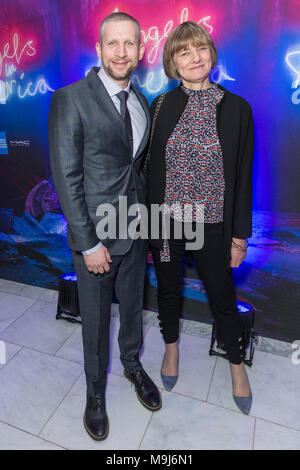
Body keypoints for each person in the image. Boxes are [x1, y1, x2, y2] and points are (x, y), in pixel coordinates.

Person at [48, 12, 161, 441]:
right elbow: (66, 178)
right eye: (112, 43)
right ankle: (95, 393)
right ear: (98, 49)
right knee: (95, 322)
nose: (120, 52)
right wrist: (89, 242)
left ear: (139, 50)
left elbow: (135, 170)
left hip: (134, 231)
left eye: (129, 44)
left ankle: (132, 365)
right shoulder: (70, 98)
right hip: (95, 239)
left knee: (132, 309)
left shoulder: (141, 100)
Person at [146, 21, 254, 415]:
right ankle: (171, 349)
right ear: (173, 61)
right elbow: (147, 169)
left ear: (211, 54)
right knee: (169, 290)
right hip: (166, 222)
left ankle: (237, 368)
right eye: (184, 52)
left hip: (211, 224)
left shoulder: (238, 108)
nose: (194, 58)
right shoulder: (160, 105)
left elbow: (243, 177)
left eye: (201, 49)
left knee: (223, 300)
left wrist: (239, 237)